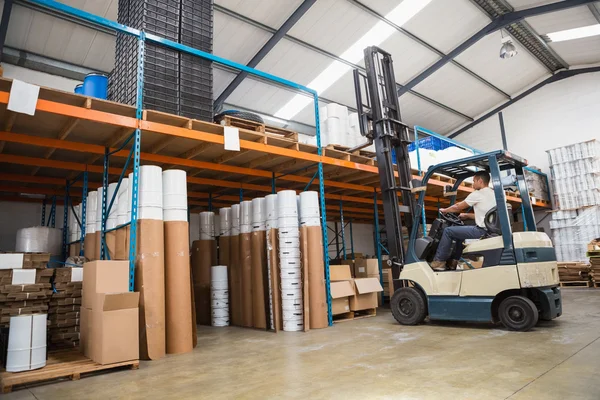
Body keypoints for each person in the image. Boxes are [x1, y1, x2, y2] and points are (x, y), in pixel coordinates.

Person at [430, 171, 496, 271]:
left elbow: (457, 207)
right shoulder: (494, 194)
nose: (473, 184)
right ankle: (453, 262)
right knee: (458, 233)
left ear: (480, 181)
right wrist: (467, 215)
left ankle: (439, 262)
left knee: (448, 231)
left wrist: (445, 210)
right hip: (491, 229)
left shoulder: (478, 194)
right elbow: (487, 215)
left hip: (482, 230)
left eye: (474, 181)